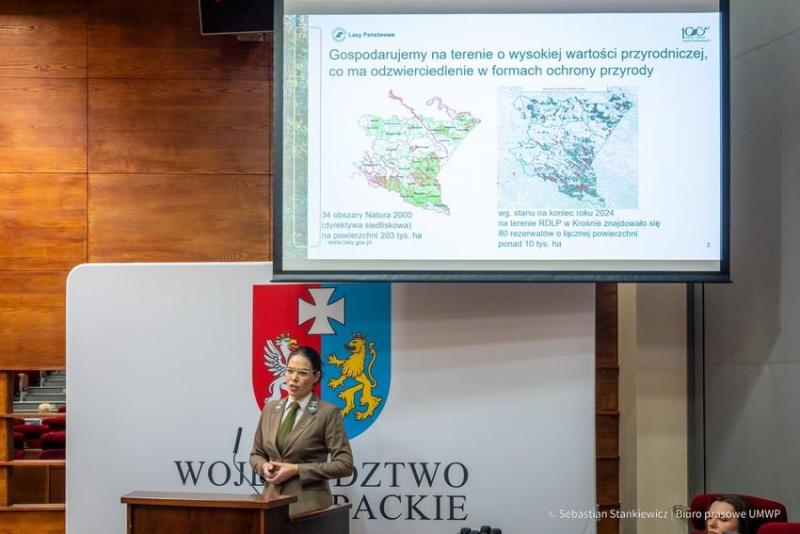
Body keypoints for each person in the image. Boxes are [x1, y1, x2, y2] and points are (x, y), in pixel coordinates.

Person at [249, 346, 353, 515]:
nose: (293, 378)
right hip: (270, 504)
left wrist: (297, 469)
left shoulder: (327, 412)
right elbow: (256, 454)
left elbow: (344, 465)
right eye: (290, 371)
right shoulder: (270, 409)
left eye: (302, 373)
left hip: (308, 508)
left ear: (316, 376)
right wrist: (263, 466)